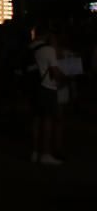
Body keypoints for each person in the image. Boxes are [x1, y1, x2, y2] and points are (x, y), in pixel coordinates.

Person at [30, 24, 64, 165]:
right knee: (48, 120)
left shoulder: (30, 47)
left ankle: (35, 151)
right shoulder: (48, 50)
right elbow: (55, 70)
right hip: (47, 87)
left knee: (37, 120)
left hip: (33, 87)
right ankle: (46, 153)